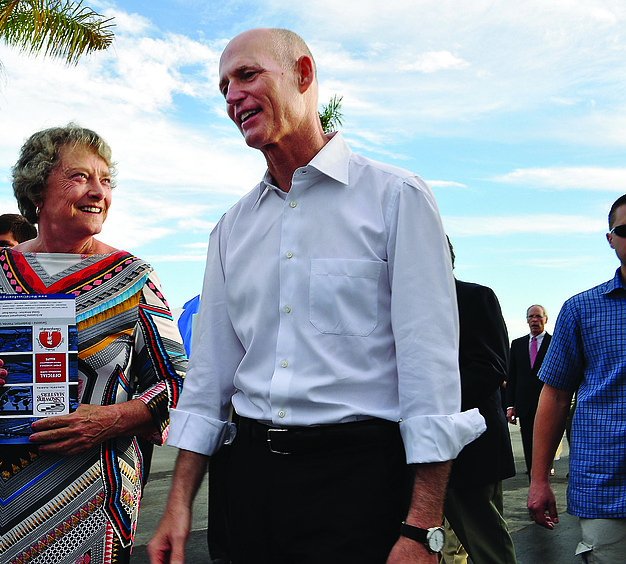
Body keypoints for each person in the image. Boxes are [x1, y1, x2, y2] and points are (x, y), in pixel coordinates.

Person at [148, 28, 484, 564]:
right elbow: (209, 376)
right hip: (247, 486)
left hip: (359, 483)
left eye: (247, 75)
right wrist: (179, 503)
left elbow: (430, 374)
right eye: (223, 87)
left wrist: (422, 527)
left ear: (303, 75)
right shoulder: (230, 228)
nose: (232, 95)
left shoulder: (397, 199)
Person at [0, 124, 186, 564]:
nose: (98, 191)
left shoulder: (133, 278)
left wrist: (112, 418)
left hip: (87, 510)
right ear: (37, 189)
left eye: (105, 180)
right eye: (80, 176)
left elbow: (178, 383)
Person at [527, 194, 626, 562]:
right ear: (610, 238)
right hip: (606, 487)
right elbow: (553, 396)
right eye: (625, 229)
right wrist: (539, 480)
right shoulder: (581, 310)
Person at [442, 239, 517, 564]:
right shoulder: (396, 305)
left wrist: (423, 401)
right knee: (440, 548)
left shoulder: (475, 298)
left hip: (469, 449)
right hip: (409, 450)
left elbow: (489, 369)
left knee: (486, 547)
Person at [506, 304, 551, 475]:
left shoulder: (554, 343)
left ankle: (544, 474)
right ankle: (533, 477)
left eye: (538, 316)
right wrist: (510, 406)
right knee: (528, 444)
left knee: (545, 444)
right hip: (524, 407)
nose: (535, 320)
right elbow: (512, 378)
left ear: (545, 319)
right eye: (531, 316)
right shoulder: (517, 345)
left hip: (547, 405)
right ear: (526, 320)